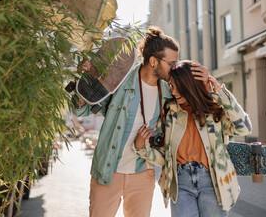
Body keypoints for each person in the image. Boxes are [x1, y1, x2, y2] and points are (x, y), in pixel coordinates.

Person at [72, 27, 209, 217]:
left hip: (143, 173)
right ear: (153, 61)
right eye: (171, 63)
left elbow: (200, 109)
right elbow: (82, 108)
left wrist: (207, 82)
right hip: (108, 171)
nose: (174, 67)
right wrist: (86, 81)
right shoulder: (119, 79)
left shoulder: (169, 92)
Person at [134, 60, 252, 217]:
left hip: (213, 182)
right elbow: (165, 158)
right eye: (171, 86)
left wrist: (221, 94)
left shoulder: (213, 110)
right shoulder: (170, 113)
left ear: (188, 86)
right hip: (180, 183)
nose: (173, 91)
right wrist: (142, 149)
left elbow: (244, 128)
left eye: (176, 87)